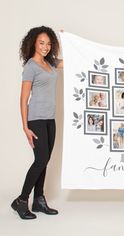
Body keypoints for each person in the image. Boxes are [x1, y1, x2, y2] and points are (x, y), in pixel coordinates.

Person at [11, 26, 63, 220]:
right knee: (40, 160)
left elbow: (72, 61)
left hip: (50, 118)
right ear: (33, 43)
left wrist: (68, 39)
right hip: (36, 119)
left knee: (45, 160)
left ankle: (39, 200)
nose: (46, 47)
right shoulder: (31, 66)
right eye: (42, 43)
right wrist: (25, 127)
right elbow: (23, 99)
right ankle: (21, 201)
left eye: (49, 43)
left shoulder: (50, 63)